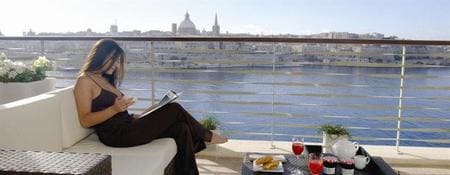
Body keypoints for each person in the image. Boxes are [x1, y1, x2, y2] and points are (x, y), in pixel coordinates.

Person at [73, 39, 228, 175]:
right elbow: (85, 120)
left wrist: (150, 111)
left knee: (181, 128)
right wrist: (113, 109)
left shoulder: (105, 79)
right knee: (174, 109)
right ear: (101, 54)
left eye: (117, 61)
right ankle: (207, 136)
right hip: (116, 135)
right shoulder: (85, 81)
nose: (115, 65)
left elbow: (121, 115)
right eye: (113, 59)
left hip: (128, 125)